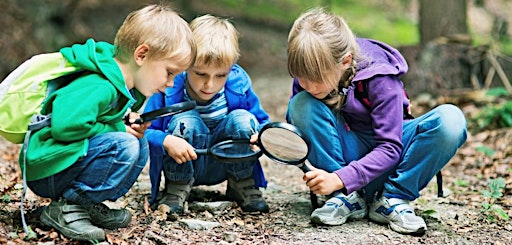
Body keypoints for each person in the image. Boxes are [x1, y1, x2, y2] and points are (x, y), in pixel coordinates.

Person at [20, 4, 196, 241]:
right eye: (169, 72)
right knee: (125, 145)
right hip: (48, 168)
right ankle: (65, 207)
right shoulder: (99, 85)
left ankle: (83, 204)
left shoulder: (118, 86)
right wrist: (117, 128)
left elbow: (99, 121)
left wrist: (124, 121)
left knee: (138, 143)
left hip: (63, 163)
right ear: (141, 55)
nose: (171, 84)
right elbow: (65, 126)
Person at [286, 8, 467, 235]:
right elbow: (302, 128)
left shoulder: (380, 77)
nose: (308, 85)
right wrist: (272, 139)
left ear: (345, 61)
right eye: (301, 77)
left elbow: (390, 147)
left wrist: (340, 178)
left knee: (451, 120)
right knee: (301, 104)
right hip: (344, 160)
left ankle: (392, 199)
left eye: (315, 79)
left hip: (391, 162)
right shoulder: (308, 79)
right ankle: (345, 199)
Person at [145, 14, 270, 215]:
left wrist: (261, 137)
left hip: (226, 162)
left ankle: (242, 183)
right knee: (186, 119)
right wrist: (166, 140)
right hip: (185, 161)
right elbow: (145, 131)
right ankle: (177, 188)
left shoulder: (238, 85)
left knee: (243, 119)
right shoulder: (169, 88)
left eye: (220, 75)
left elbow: (262, 122)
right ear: (186, 64)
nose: (209, 85)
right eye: (201, 74)